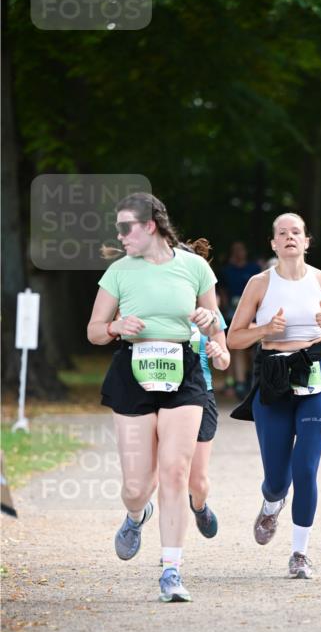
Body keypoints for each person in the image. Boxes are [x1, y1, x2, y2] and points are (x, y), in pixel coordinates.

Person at [87, 192, 225, 603]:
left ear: (150, 226)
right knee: (135, 486)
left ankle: (171, 571)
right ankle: (136, 514)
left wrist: (213, 336)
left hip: (182, 371)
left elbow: (218, 334)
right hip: (132, 372)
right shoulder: (119, 272)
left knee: (175, 472)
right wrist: (115, 326)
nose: (120, 235)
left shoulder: (195, 268)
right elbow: (94, 330)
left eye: (126, 227)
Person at [226, 212, 321, 578]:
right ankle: (271, 502)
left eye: (296, 232)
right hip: (274, 375)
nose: (290, 237)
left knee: (306, 467)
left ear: (307, 241)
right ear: (273, 244)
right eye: (282, 233)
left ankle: (300, 554)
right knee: (279, 478)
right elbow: (234, 338)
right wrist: (265, 328)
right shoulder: (259, 284)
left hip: (315, 372)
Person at [187, 249, 231, 537]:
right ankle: (171, 542)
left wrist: (217, 352)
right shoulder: (155, 306)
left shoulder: (210, 314)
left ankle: (200, 506)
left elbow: (224, 361)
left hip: (201, 394)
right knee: (169, 475)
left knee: (197, 482)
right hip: (162, 395)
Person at [220, 241, 262, 399]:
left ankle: (252, 378)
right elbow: (223, 293)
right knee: (236, 347)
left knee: (254, 350)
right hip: (232, 312)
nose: (238, 252)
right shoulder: (226, 271)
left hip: (256, 314)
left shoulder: (254, 269)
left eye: (241, 249)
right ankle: (239, 383)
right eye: (235, 250)